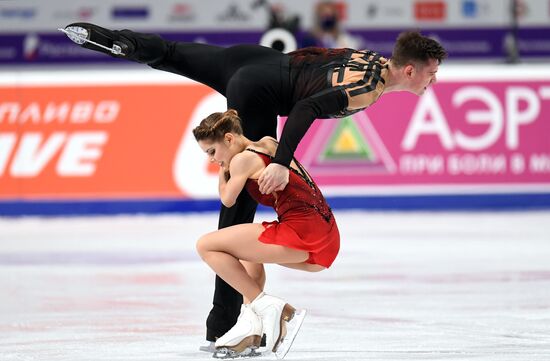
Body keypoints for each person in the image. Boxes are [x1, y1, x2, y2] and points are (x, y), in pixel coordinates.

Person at [61, 22, 447, 349]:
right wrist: (279, 163)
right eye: (431, 72)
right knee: (238, 210)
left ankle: (120, 41)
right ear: (410, 71)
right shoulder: (368, 88)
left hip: (252, 58)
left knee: (173, 52)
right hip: (261, 92)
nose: (434, 79)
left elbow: (318, 65)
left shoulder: (373, 58)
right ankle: (225, 324)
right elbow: (304, 108)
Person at [192, 109, 340, 356]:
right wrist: (222, 160)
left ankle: (267, 306)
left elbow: (228, 199)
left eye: (212, 152)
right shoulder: (268, 143)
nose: (211, 159)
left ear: (229, 139)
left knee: (206, 245)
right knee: (249, 255)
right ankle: (251, 327)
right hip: (325, 236)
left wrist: (223, 168)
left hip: (303, 234)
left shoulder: (241, 160)